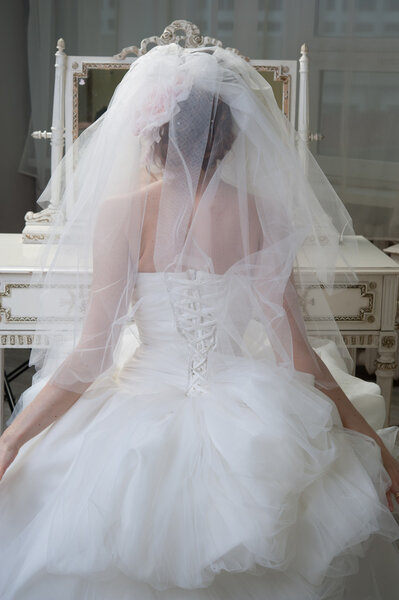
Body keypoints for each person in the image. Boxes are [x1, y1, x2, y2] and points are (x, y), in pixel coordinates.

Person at [1, 42, 399, 600]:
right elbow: (299, 357)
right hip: (251, 403)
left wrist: (13, 439)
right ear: (233, 137)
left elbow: (92, 355)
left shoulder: (121, 213)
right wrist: (374, 446)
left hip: (141, 397)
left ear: (152, 133)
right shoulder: (264, 212)